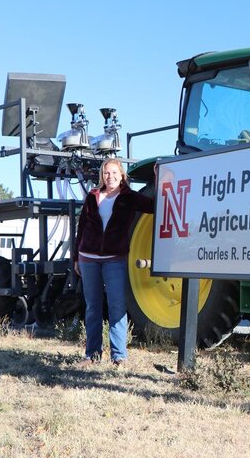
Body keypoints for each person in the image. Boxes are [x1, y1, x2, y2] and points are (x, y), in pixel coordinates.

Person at [73, 157, 155, 367]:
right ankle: (92, 355)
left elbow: (155, 205)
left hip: (114, 259)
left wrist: (158, 178)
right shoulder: (93, 196)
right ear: (102, 175)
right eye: (106, 173)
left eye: (114, 173)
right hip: (88, 258)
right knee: (93, 307)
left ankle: (119, 357)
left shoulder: (129, 197)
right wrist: (76, 258)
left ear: (122, 176)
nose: (110, 177)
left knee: (117, 306)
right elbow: (81, 228)